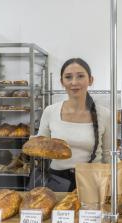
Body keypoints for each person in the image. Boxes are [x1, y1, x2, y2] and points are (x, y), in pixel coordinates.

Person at [37, 58, 111, 191]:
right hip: (57, 181)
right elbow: (40, 148)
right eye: (68, 77)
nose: (74, 82)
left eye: (80, 76)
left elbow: (108, 154)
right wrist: (36, 144)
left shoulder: (104, 114)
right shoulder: (50, 111)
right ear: (62, 82)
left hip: (93, 180)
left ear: (91, 80)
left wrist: (120, 178)